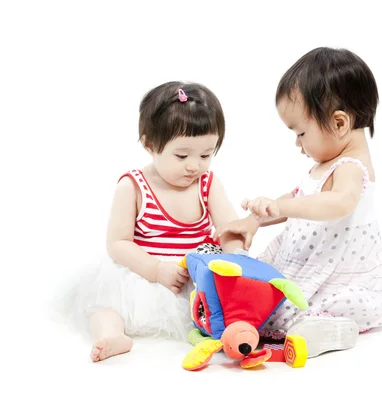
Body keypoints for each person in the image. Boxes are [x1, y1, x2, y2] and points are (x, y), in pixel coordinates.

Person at [216, 47, 382, 358]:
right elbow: (297, 196)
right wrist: (255, 220)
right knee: (269, 291)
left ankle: (334, 329)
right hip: (309, 258)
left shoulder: (351, 166)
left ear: (339, 123)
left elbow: (339, 203)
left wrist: (283, 209)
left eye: (301, 132)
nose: (297, 144)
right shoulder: (327, 160)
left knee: (294, 312)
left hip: (335, 266)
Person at [55, 81, 244, 362]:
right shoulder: (133, 187)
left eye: (206, 155)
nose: (195, 165)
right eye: (182, 155)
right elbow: (118, 243)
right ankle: (111, 335)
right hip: (144, 271)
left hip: (195, 276)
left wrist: (237, 256)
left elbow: (228, 227)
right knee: (105, 303)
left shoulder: (208, 184)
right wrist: (155, 270)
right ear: (150, 144)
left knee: (231, 305)